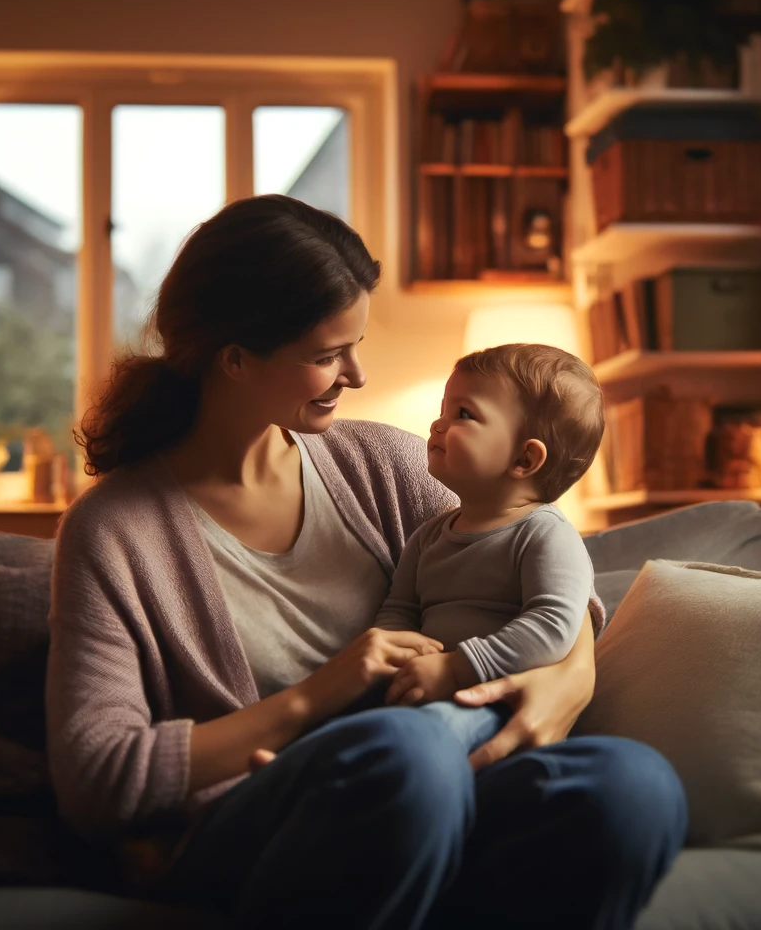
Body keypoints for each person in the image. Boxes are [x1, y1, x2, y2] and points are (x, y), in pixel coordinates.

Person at [47, 194, 686, 929]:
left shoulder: (386, 465)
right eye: (326, 356)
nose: (355, 373)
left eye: (355, 344)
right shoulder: (113, 532)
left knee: (635, 786)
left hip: (444, 776)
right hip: (260, 814)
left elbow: (538, 561)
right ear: (235, 360)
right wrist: (317, 696)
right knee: (407, 759)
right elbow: (95, 779)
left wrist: (572, 673)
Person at [374, 343, 604, 757]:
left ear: (525, 458)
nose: (438, 424)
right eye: (444, 410)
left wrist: (457, 667)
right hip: (424, 693)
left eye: (463, 414)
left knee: (417, 737)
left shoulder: (545, 534)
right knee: (360, 723)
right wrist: (395, 658)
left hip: (497, 703)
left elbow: (554, 624)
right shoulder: (428, 536)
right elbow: (400, 608)